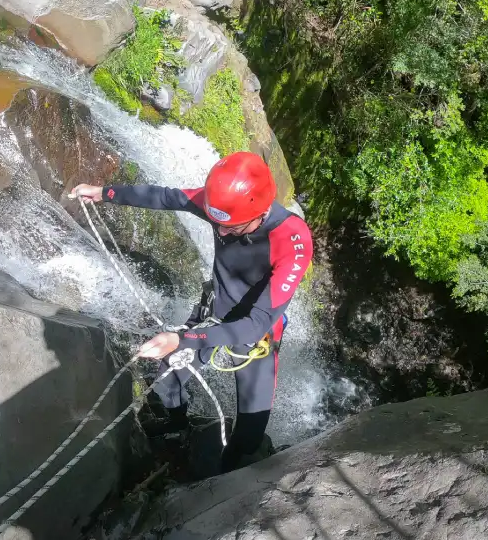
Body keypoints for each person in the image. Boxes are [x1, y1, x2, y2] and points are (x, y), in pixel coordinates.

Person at [71, 151, 313, 473]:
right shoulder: (222, 210)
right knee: (167, 380)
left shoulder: (292, 240)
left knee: (249, 438)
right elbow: (165, 197)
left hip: (256, 335)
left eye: (231, 228)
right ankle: (177, 429)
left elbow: (254, 325)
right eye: (217, 225)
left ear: (260, 211)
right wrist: (104, 193)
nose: (221, 233)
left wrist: (183, 338)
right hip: (214, 312)